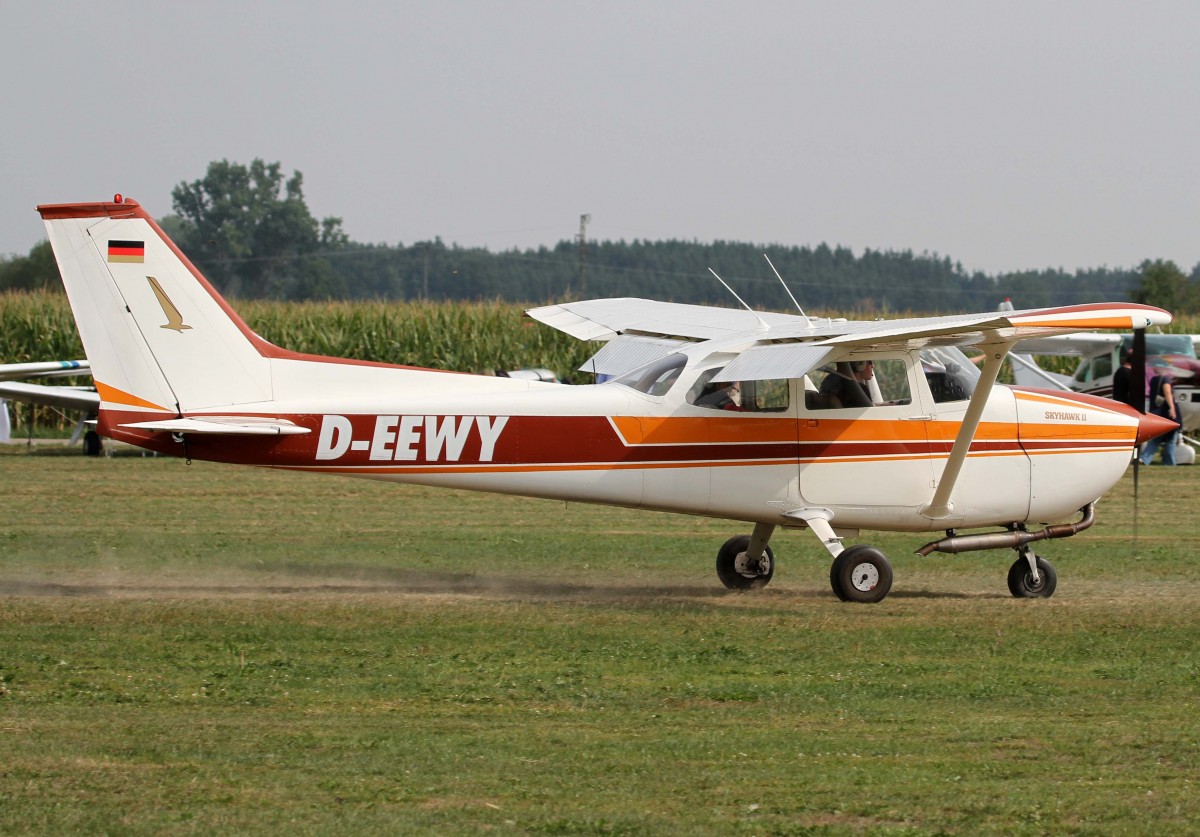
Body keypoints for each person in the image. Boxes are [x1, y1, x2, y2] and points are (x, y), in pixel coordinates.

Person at [1140, 371, 1180, 465]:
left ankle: (1144, 458)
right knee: (1171, 438)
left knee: (1156, 439)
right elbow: (1167, 392)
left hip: (1154, 411)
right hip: (1164, 412)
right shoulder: (1166, 379)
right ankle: (1169, 462)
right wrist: (1172, 408)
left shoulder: (1153, 380)